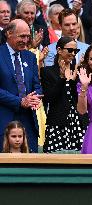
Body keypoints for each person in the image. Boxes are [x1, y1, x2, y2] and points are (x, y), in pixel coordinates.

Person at [0, 19, 42, 152]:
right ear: (9, 33)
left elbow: (37, 85)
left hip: (28, 121)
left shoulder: (30, 57)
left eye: (28, 37)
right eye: (22, 36)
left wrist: (35, 98)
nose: (25, 40)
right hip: (4, 119)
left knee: (32, 166)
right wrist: (20, 101)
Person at [41, 36, 85, 153]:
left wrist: (73, 78)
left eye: (76, 51)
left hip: (77, 122)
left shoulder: (79, 72)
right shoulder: (48, 71)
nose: (73, 53)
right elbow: (50, 98)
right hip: (57, 123)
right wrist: (61, 78)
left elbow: (78, 98)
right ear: (59, 50)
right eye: (70, 50)